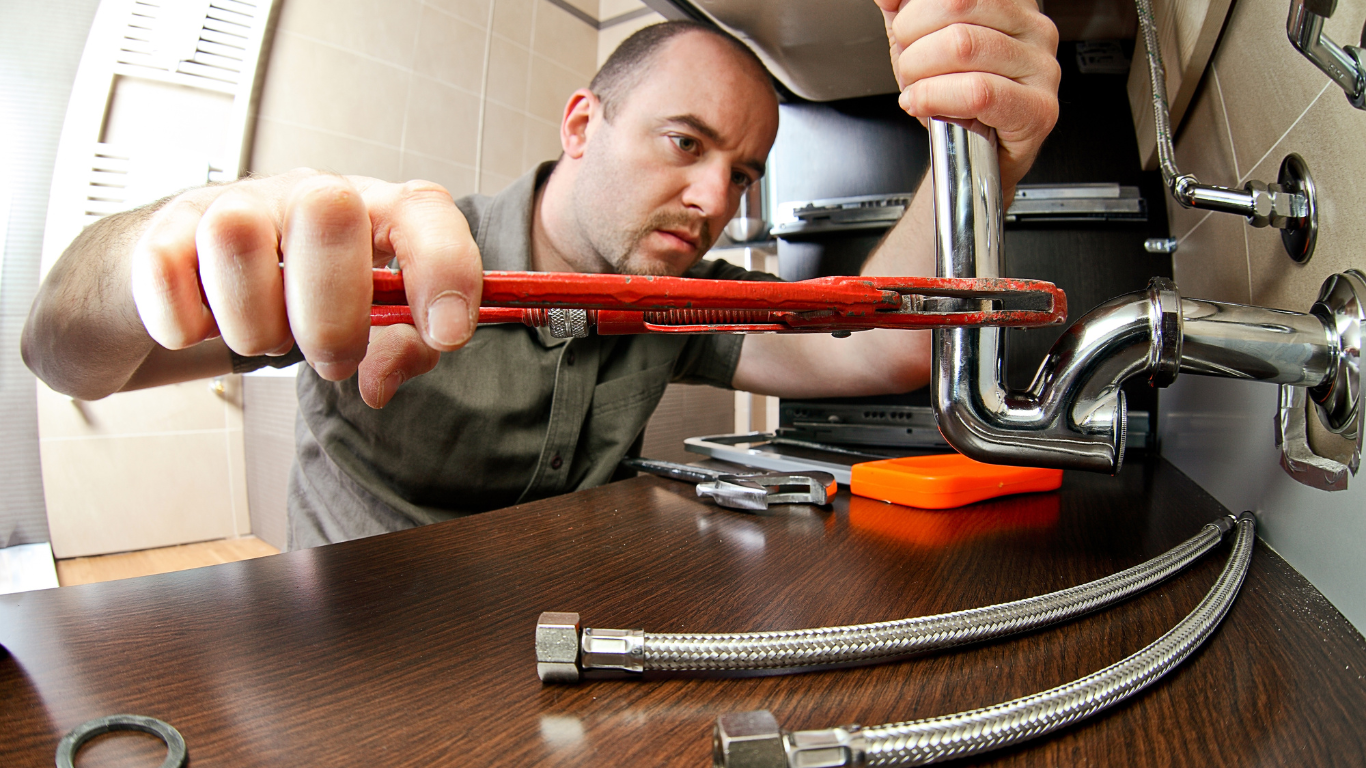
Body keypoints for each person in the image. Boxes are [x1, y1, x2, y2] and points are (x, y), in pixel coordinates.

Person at [22, 1, 1060, 548]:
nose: (716, 202)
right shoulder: (385, 267)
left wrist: (981, 156)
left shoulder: (677, 304)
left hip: (573, 651)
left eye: (741, 171)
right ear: (580, 125)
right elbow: (68, 358)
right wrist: (157, 254)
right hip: (353, 657)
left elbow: (880, 348)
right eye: (684, 144)